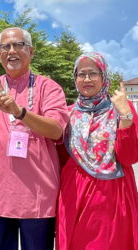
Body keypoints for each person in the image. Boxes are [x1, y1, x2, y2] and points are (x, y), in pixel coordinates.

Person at [0, 27, 69, 250]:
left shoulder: (48, 88)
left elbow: (56, 131)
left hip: (38, 200)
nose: (11, 51)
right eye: (5, 47)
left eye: (18, 45)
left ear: (31, 52)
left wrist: (20, 112)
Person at [56, 52, 138, 250]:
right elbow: (60, 159)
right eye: (81, 74)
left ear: (103, 77)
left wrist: (125, 116)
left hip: (112, 194)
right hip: (74, 192)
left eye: (93, 73)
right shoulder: (67, 112)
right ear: (74, 79)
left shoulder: (122, 109)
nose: (86, 79)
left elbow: (129, 158)